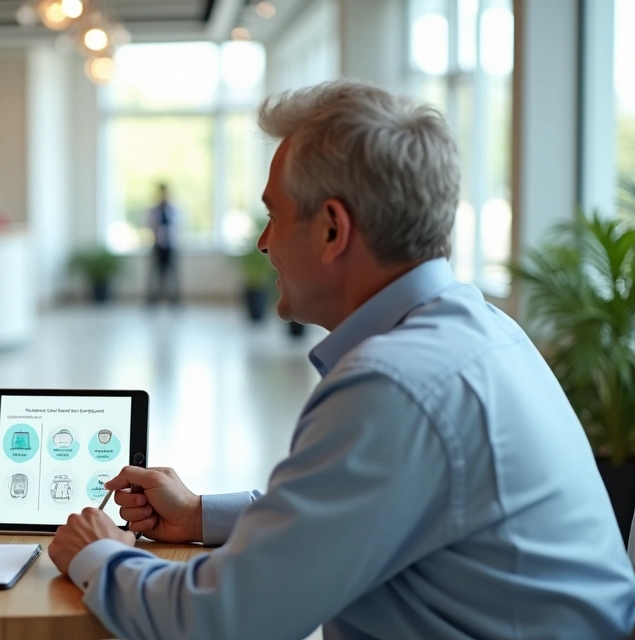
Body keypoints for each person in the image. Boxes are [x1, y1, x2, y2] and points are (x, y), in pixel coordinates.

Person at [49, 79, 635, 639]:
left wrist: (98, 553)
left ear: (332, 229)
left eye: (273, 215)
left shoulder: (394, 386)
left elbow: (222, 620)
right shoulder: (484, 330)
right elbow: (363, 516)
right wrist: (203, 515)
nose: (263, 242)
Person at [145, 183, 180, 306]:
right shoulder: (154, 210)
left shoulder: (173, 210)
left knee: (173, 273)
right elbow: (150, 225)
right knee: (154, 273)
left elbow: (178, 226)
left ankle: (173, 298)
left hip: (170, 245)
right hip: (157, 244)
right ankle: (152, 298)